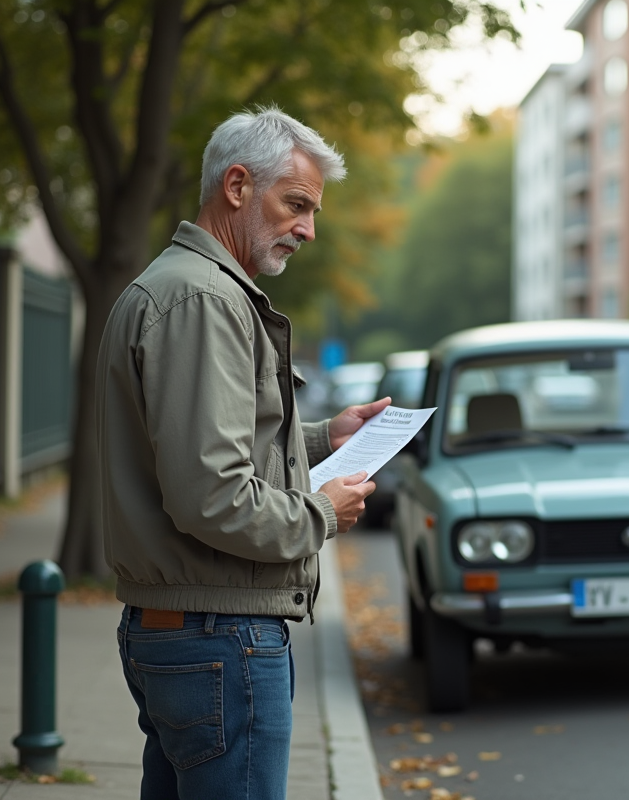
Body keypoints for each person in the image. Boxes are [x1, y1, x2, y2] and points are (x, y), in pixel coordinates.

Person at [95, 106, 388, 800]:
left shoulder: (182, 287)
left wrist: (322, 439)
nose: (308, 230)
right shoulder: (203, 301)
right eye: (296, 205)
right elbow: (212, 495)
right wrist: (321, 512)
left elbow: (206, 447)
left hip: (189, 632)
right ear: (236, 187)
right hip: (220, 638)